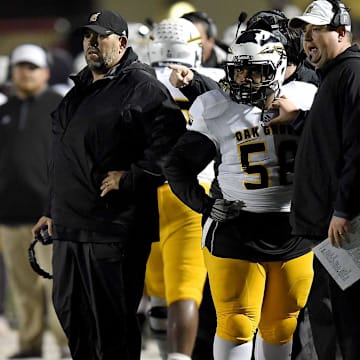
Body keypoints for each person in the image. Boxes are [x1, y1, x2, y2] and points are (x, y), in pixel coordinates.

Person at [31, 9, 186, 360]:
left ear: (122, 42)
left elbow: (172, 144)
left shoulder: (143, 87)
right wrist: (50, 209)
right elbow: (63, 156)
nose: (91, 43)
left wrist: (132, 177)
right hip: (71, 227)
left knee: (112, 326)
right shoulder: (80, 90)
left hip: (114, 229)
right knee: (74, 319)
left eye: (100, 36)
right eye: (88, 36)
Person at [163, 29, 315, 360]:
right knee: (236, 323)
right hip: (237, 230)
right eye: (239, 70)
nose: (245, 79)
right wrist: (205, 205)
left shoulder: (306, 97)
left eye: (256, 70)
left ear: (277, 68)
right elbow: (177, 166)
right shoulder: (217, 106)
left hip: (296, 230)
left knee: (282, 325)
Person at [144, 17, 224, 360]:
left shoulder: (137, 82)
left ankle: (162, 352)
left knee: (158, 293)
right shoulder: (214, 81)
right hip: (192, 192)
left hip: (143, 192)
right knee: (185, 292)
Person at [285, 1, 360, 359]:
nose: (308, 38)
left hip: (343, 228)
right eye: (304, 31)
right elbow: (328, 139)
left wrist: (344, 208)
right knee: (329, 320)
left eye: (317, 29)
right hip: (328, 225)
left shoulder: (352, 74)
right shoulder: (335, 75)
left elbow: (357, 149)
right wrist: (295, 119)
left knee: (345, 324)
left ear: (342, 32)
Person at [0, 44, 69, 359]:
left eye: (32, 67)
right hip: (10, 214)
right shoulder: (5, 110)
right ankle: (29, 345)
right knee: (22, 286)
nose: (25, 73)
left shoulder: (60, 106)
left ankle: (66, 345)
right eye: (20, 67)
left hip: (50, 215)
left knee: (55, 285)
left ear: (44, 72)